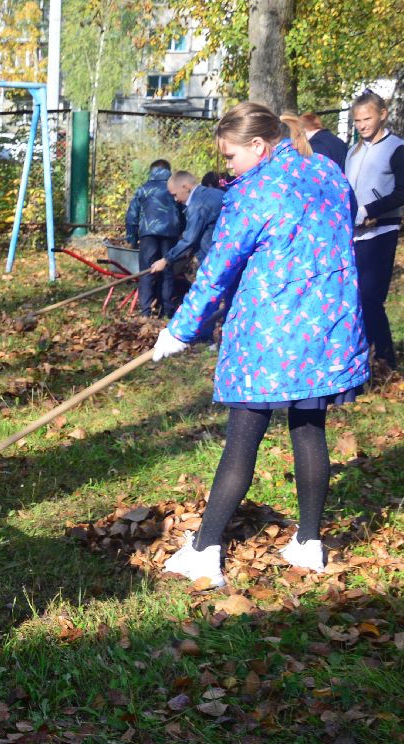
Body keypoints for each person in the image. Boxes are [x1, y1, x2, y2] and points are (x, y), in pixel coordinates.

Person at [155, 105, 369, 585]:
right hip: (325, 327)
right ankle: (309, 543)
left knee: (242, 440)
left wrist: (179, 330)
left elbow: (218, 269)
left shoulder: (255, 193)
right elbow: (345, 220)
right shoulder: (326, 171)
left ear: (259, 146)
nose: (226, 165)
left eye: (230, 156)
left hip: (271, 335)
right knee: (310, 429)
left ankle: (206, 549)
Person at [344, 90, 403, 374]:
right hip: (353, 233)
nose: (362, 125)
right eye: (356, 120)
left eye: (366, 118)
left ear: (382, 114)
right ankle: (360, 355)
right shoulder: (353, 151)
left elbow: (401, 192)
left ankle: (386, 359)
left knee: (370, 296)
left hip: (382, 231)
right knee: (354, 297)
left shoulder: (397, 148)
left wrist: (371, 210)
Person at [151, 170, 225, 338]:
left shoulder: (198, 205)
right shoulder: (215, 194)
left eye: (176, 195)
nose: (176, 200)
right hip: (223, 253)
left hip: (213, 257)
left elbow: (190, 238)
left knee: (207, 296)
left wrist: (166, 259)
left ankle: (205, 337)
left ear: (185, 187)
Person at [125, 159, 184, 316]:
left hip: (148, 235)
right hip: (170, 235)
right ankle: (167, 311)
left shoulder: (143, 189)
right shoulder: (175, 189)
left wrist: (131, 238)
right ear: (168, 171)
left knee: (146, 271)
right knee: (167, 271)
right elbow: (183, 212)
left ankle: (145, 312)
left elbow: (131, 216)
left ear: (151, 171)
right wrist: (181, 234)